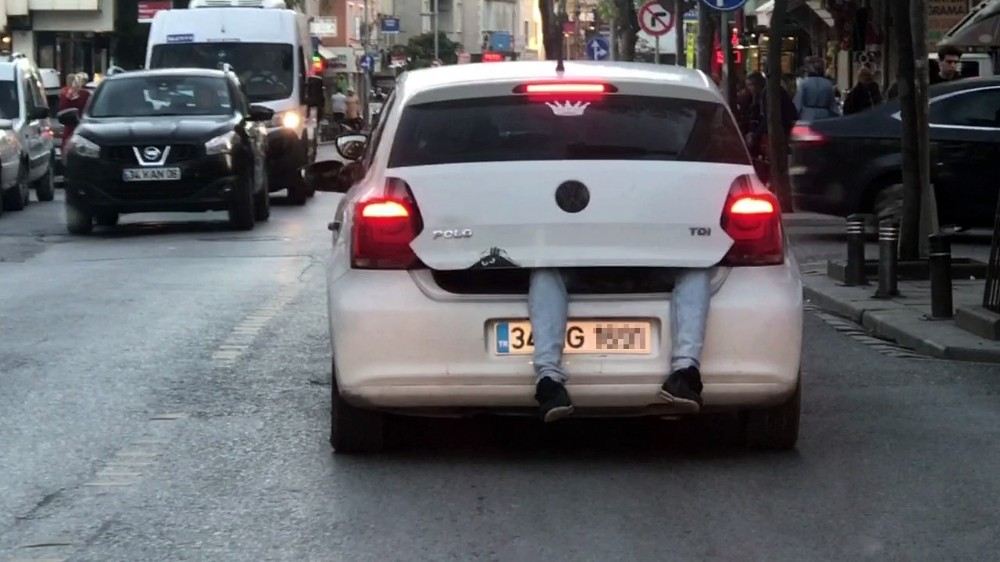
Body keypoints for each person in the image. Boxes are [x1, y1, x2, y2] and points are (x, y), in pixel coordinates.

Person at [531, 268, 713, 422]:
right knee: (544, 274)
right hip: (581, 268)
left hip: (648, 267)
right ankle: (549, 384)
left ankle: (683, 377)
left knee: (696, 270)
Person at [743, 72, 796, 183]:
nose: (749, 89)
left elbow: (768, 118)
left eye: (750, 85)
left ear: (756, 85)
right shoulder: (769, 92)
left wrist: (755, 135)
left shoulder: (767, 94)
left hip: (780, 130)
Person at [886, 45, 964, 99]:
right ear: (939, 62)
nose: (953, 65)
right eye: (949, 62)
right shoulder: (930, 81)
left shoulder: (960, 81)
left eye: (956, 62)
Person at [793, 56, 840, 121]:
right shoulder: (828, 84)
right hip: (825, 116)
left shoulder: (804, 83)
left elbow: (797, 103)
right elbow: (833, 105)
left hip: (807, 116)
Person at [58, 74, 91, 151]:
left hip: (72, 126)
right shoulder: (86, 94)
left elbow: (62, 108)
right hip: (84, 125)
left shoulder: (64, 93)